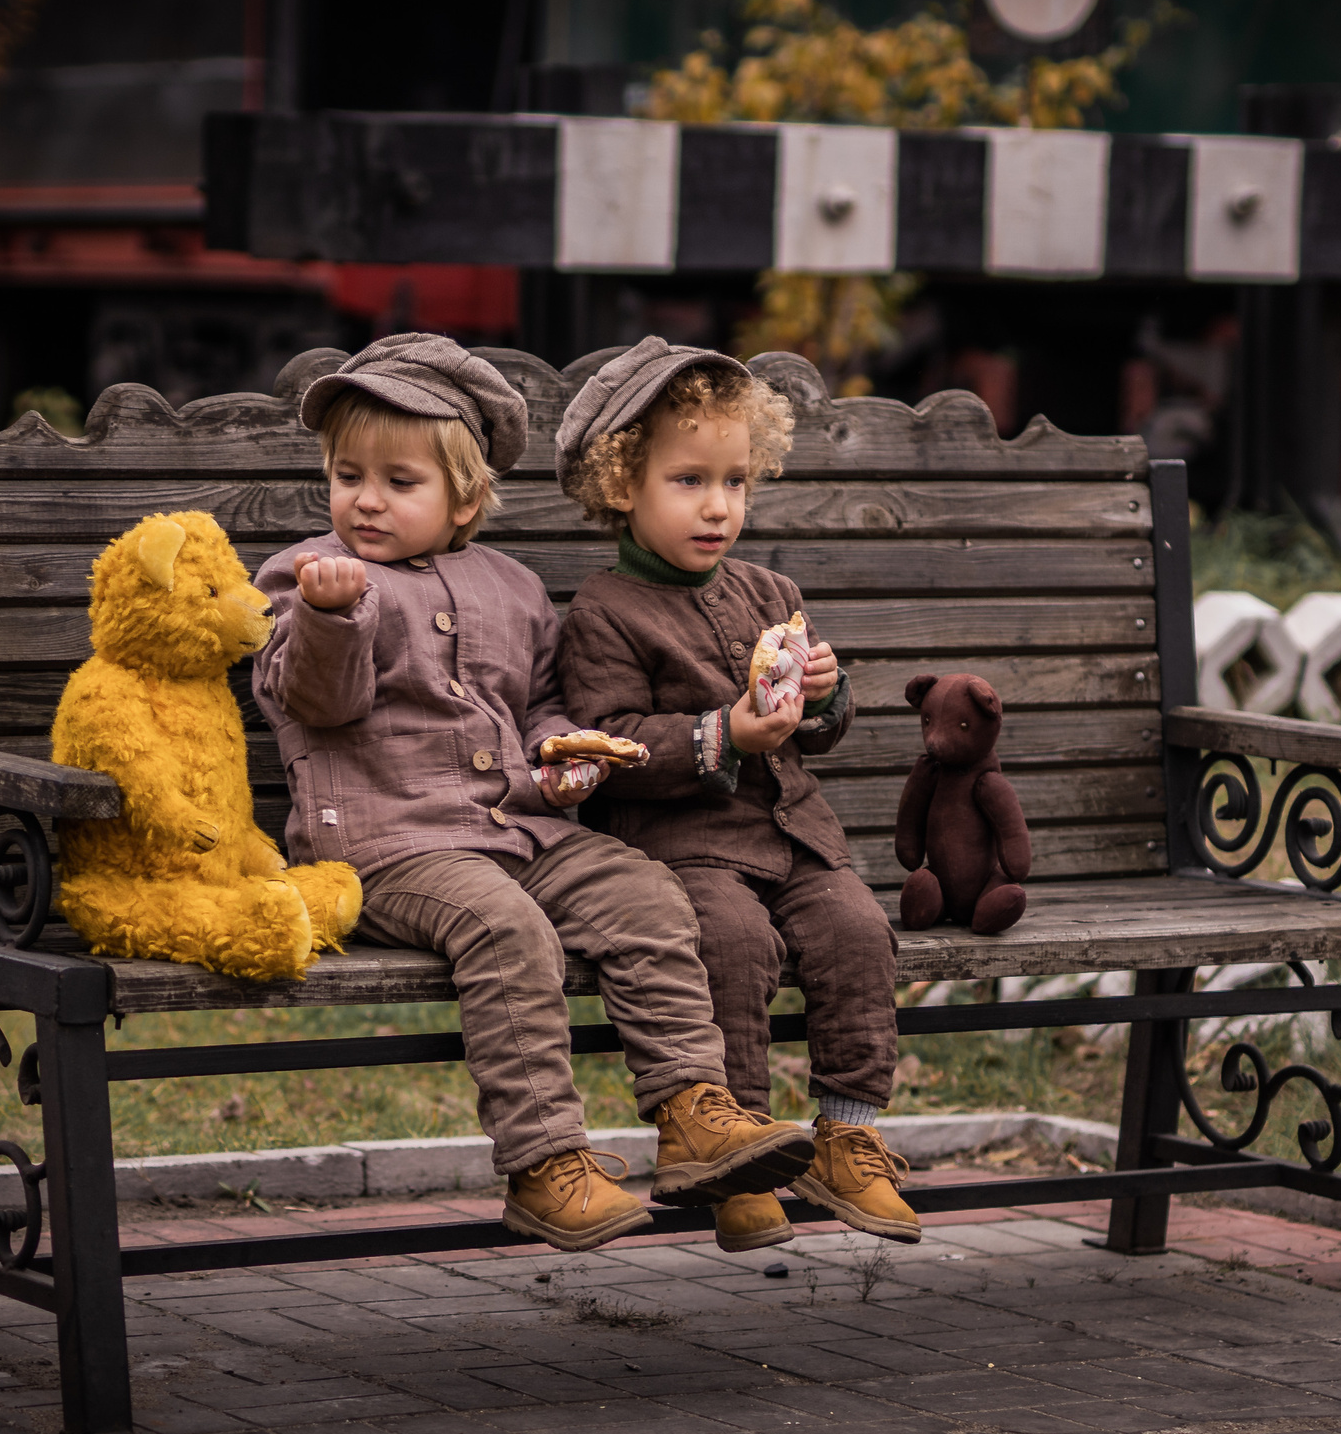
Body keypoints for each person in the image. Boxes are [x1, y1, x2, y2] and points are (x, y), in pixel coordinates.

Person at [250, 334, 815, 1252]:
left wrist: (561, 752)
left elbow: (540, 703)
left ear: (465, 498)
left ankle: (692, 1113)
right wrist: (329, 616)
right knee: (506, 928)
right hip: (389, 847)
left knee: (645, 893)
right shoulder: (308, 578)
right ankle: (546, 1162)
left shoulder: (510, 587)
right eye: (348, 476)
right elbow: (318, 700)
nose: (366, 499)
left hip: (520, 831)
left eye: (399, 481)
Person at [553, 338, 919, 1253]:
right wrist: (723, 734)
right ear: (621, 484)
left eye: (735, 482)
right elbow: (611, 740)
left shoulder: (770, 590)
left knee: (857, 931)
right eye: (688, 481)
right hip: (683, 845)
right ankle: (736, 1149)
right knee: (732, 942)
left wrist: (824, 695)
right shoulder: (603, 611)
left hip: (793, 835)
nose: (718, 506)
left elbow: (817, 727)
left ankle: (846, 1135)